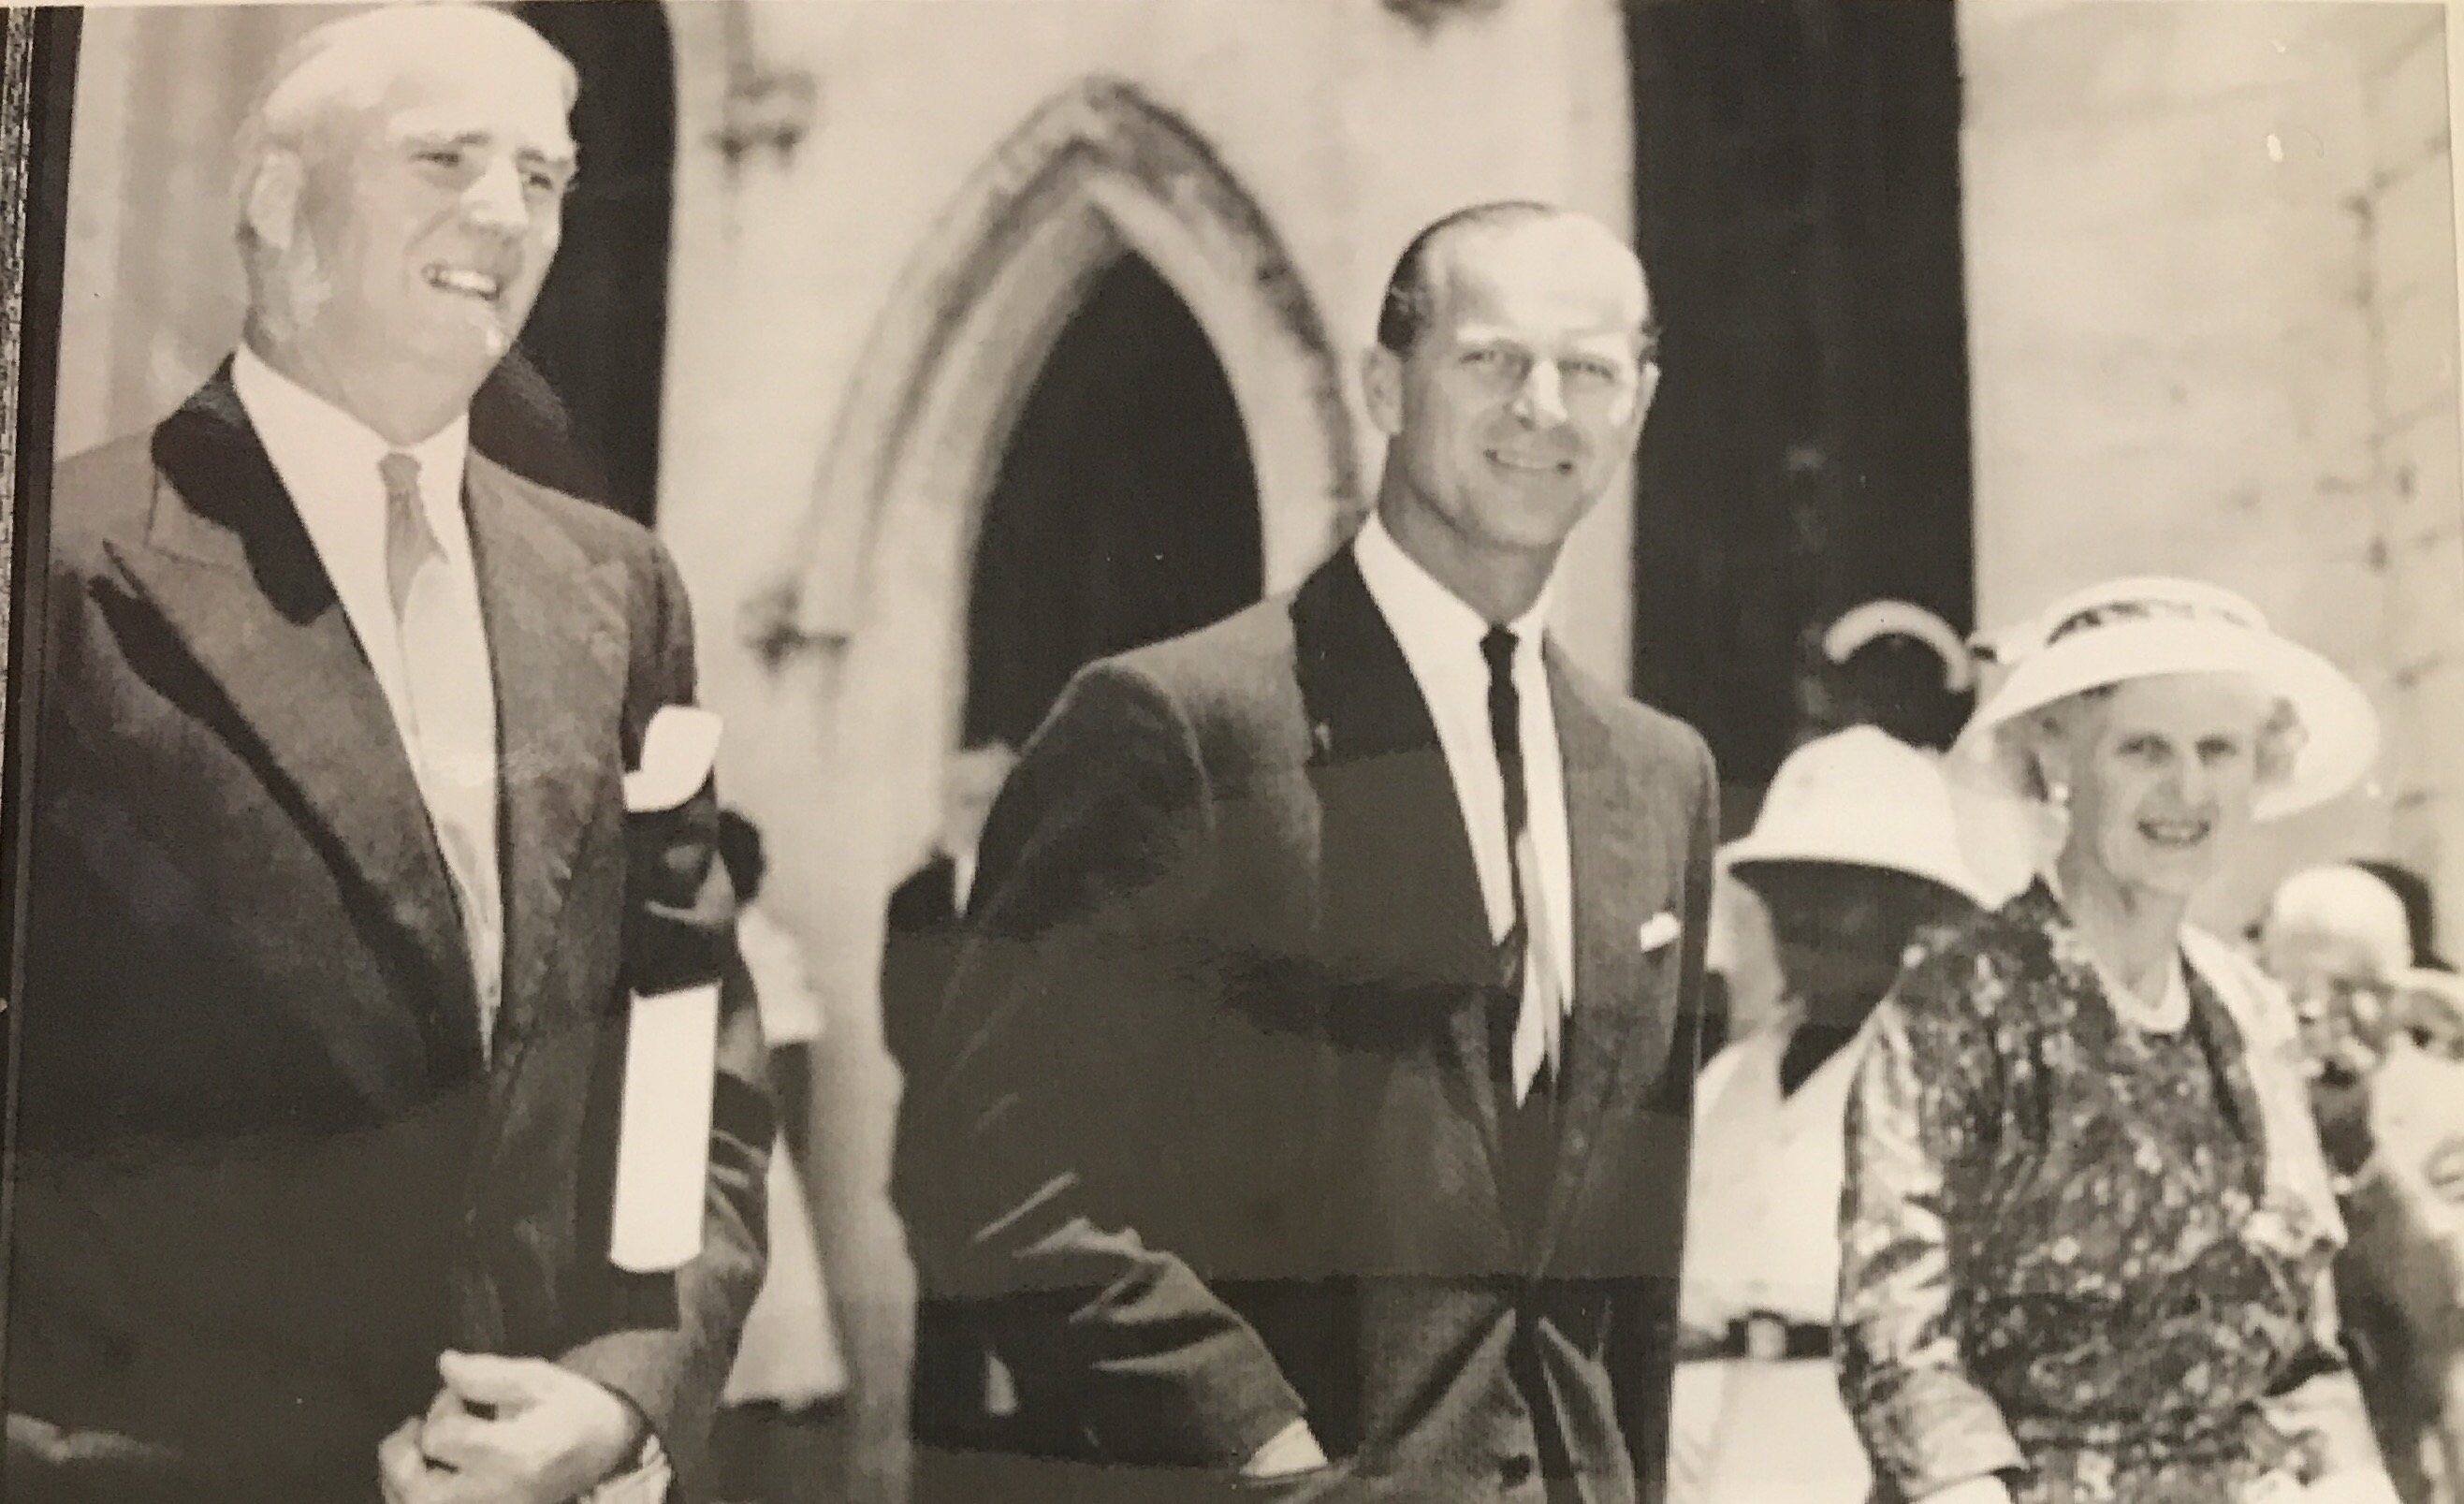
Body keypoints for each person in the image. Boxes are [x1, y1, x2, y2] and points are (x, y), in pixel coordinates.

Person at [5, 9, 770, 1502]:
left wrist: (624, 1388)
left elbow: (684, 1050)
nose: (508, 215)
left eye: (543, 178)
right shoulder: (60, 568)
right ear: (276, 199)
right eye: (444, 160)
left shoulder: (618, 589)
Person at [897, 201, 1714, 1502]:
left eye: (1589, 369)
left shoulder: (1659, 773)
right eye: (1490, 359)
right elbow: (993, 1172)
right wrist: (1258, 1450)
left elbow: (1634, 1252)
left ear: (1640, 405)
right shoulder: (1184, 720)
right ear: (1384, 384)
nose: (1541, 407)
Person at [1837, 577, 2401, 1504]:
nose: (2186, 789)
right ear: (2056, 753)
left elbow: (2300, 1352)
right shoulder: (1956, 1005)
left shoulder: (2251, 1011)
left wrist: (2352, 1483)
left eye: (2217, 748)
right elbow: (1900, 1341)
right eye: (2143, 748)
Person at [1671, 726, 1997, 1504]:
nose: (1806, 917)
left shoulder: (1946, 1088)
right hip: (1708, 1449)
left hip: (1851, 1452)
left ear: (1908, 907)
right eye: (1788, 888)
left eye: (1839, 891)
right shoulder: (1725, 1082)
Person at [2262, 868, 2464, 1503]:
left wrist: (2361, 1152)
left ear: (2401, 992)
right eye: (2299, 988)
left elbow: (2442, 1306)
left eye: (2352, 986)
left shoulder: (2446, 1108)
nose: (2325, 1014)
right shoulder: (2248, 1112)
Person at [714, 811, 849, 1501]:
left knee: (768, 1366)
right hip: (699, 1166)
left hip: (756, 1164)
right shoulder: (686, 947)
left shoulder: (765, 948)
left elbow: (792, 1081)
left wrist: (775, 1165)